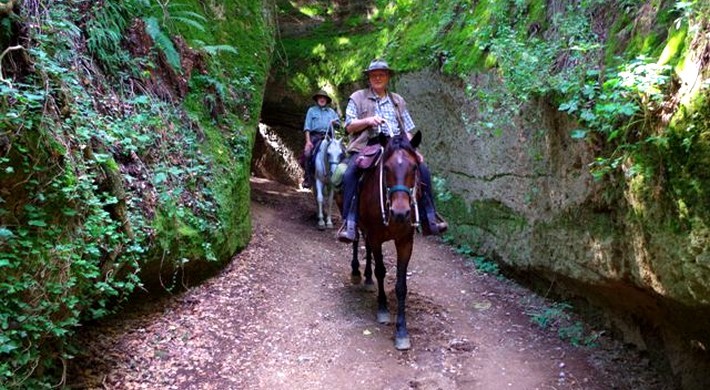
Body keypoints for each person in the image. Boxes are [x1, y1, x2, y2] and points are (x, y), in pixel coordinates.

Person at [337, 59, 448, 243]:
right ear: (369, 78)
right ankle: (349, 223)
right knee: (350, 174)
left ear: (388, 77)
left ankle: (430, 217)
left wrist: (414, 150)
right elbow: (349, 126)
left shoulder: (397, 100)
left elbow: (407, 130)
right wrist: (368, 121)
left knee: (423, 170)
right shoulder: (357, 97)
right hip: (366, 145)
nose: (377, 78)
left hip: (397, 145)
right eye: (374, 75)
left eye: (381, 74)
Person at [302, 90, 340, 188]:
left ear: (327, 100)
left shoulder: (331, 112)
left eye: (324, 98)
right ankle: (307, 178)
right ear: (317, 99)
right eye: (320, 97)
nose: (322, 99)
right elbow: (307, 127)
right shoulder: (311, 110)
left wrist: (335, 123)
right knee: (307, 153)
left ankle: (338, 180)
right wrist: (308, 141)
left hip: (329, 137)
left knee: (340, 152)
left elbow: (339, 124)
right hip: (315, 137)